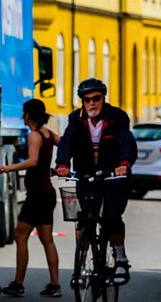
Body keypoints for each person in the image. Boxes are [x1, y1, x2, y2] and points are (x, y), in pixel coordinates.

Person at [55, 78, 137, 285]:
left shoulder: (117, 117)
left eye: (96, 98)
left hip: (112, 177)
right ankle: (80, 267)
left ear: (103, 98)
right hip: (86, 177)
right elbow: (66, 142)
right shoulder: (76, 119)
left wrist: (124, 163)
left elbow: (127, 142)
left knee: (111, 217)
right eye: (87, 99)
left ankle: (120, 259)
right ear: (82, 101)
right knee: (84, 222)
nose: (91, 103)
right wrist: (62, 164)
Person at [0, 99, 62, 297]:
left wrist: (7, 168)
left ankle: (18, 283)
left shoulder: (34, 135)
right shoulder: (49, 134)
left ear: (28, 115)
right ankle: (55, 284)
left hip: (37, 195)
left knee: (20, 235)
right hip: (47, 193)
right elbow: (66, 144)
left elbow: (33, 161)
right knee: (46, 239)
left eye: (24, 113)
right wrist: (55, 167)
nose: (22, 116)